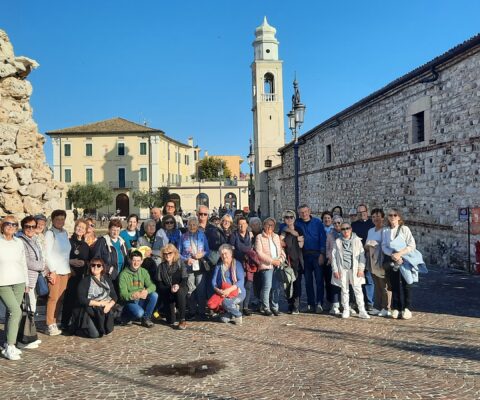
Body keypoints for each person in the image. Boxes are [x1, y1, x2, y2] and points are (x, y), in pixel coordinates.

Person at [0, 216, 29, 360]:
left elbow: (23, 263)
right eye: (8, 224)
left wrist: (27, 282)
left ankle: (7, 343)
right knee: (16, 311)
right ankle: (11, 345)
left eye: (14, 224)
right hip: (2, 282)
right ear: (2, 225)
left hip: (19, 281)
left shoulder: (19, 243)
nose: (11, 226)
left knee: (11, 313)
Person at [381, 209, 416, 320]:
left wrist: (400, 254)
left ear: (399, 217)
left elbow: (411, 245)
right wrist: (392, 255)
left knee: (406, 283)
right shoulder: (386, 230)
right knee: (394, 284)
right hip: (393, 260)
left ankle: (407, 308)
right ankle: (396, 307)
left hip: (405, 259)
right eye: (390, 215)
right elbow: (384, 245)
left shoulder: (405, 229)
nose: (392, 217)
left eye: (395, 215)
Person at [331, 222, 370, 319]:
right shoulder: (338, 241)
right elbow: (334, 257)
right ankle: (346, 309)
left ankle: (362, 310)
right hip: (342, 269)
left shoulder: (357, 240)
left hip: (355, 268)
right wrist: (335, 270)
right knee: (344, 290)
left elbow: (362, 256)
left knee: (358, 289)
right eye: (343, 229)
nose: (345, 231)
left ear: (351, 229)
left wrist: (361, 269)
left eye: (347, 228)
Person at [73, 258, 117, 338]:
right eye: (93, 265)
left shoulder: (107, 280)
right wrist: (99, 303)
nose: (95, 267)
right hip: (89, 310)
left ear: (102, 268)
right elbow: (82, 299)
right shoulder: (85, 281)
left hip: (103, 310)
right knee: (95, 335)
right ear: (90, 267)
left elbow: (114, 296)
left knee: (104, 331)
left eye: (98, 265)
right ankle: (78, 329)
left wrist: (109, 305)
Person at [44, 209, 72, 336]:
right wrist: (52, 271)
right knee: (53, 297)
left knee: (60, 298)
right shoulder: (50, 234)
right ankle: (49, 324)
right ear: (53, 220)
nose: (60, 221)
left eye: (62, 219)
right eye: (57, 219)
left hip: (65, 270)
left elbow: (65, 253)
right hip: (55, 270)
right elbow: (47, 254)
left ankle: (55, 321)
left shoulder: (64, 232)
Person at [295, 204, 326, 313]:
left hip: (317, 254)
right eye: (301, 212)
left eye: (305, 211)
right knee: (307, 281)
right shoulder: (297, 223)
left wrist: (322, 254)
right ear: (299, 213)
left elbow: (323, 238)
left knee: (319, 280)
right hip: (305, 255)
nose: (304, 214)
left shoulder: (317, 223)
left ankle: (319, 303)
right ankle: (310, 303)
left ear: (309, 211)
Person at [62, 219, 90, 331]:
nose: (80, 229)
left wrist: (85, 263)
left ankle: (76, 322)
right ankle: (64, 323)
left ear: (85, 231)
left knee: (78, 300)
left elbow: (89, 260)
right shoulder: (68, 242)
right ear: (75, 227)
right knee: (68, 300)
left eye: (83, 228)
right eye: (78, 227)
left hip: (81, 276)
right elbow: (61, 257)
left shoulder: (85, 245)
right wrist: (70, 262)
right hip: (69, 274)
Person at [180, 216, 210, 320]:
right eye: (190, 224)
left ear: (197, 225)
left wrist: (202, 254)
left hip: (200, 265)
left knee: (201, 289)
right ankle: (192, 311)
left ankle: (202, 311)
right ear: (187, 225)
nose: (192, 226)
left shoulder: (202, 235)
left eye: (194, 224)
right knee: (190, 289)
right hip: (188, 265)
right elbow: (179, 254)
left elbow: (208, 250)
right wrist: (185, 259)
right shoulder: (183, 237)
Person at [255, 217, 286, 316]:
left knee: (276, 287)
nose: (269, 227)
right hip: (266, 266)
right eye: (268, 224)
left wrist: (280, 260)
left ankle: (274, 307)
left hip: (277, 265)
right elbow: (259, 253)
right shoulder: (259, 237)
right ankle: (266, 307)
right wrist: (272, 261)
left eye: (272, 225)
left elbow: (281, 251)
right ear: (264, 225)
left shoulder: (276, 236)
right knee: (267, 287)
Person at [118, 250, 158, 327]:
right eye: (134, 260)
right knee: (139, 313)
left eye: (138, 261)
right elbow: (122, 295)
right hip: (130, 301)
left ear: (142, 261)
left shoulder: (144, 271)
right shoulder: (123, 275)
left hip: (141, 299)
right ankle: (126, 316)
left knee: (154, 295)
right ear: (130, 260)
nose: (136, 263)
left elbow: (153, 286)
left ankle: (146, 319)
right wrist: (133, 295)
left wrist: (146, 291)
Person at [365, 208, 392, 317]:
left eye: (378, 216)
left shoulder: (386, 231)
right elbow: (366, 245)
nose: (376, 218)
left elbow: (388, 245)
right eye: (373, 216)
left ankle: (387, 307)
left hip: (381, 261)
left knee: (384, 285)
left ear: (382, 218)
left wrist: (376, 244)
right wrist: (367, 245)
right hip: (372, 261)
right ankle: (378, 306)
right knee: (376, 285)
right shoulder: (370, 230)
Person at [155, 244, 188, 329]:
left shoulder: (180, 263)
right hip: (167, 291)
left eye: (170, 253)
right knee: (170, 321)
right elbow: (159, 284)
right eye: (165, 254)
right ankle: (172, 310)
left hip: (180, 288)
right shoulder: (161, 267)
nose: (167, 255)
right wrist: (170, 289)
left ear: (174, 253)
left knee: (180, 292)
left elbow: (184, 278)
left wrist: (178, 286)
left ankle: (182, 320)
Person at [211, 244, 246, 325]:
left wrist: (228, 290)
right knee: (223, 319)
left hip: (238, 292)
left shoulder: (237, 264)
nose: (224, 256)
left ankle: (238, 315)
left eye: (225, 253)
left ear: (230, 254)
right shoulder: (218, 266)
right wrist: (218, 290)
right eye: (222, 254)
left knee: (225, 302)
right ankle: (233, 309)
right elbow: (213, 281)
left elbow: (241, 281)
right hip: (223, 292)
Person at [18, 216, 44, 319]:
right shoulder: (20, 241)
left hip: (35, 277)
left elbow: (41, 256)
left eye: (33, 226)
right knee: (28, 306)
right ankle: (25, 331)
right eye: (27, 226)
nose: (31, 229)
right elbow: (27, 261)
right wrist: (42, 266)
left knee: (32, 304)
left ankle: (28, 329)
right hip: (26, 279)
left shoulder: (34, 239)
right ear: (23, 227)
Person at [351, 204, 376, 312]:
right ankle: (358, 302)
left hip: (369, 254)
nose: (362, 214)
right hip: (357, 255)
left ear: (367, 212)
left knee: (369, 280)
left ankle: (369, 303)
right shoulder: (354, 225)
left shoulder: (372, 224)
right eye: (359, 213)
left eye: (363, 212)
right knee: (357, 280)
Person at [229, 216, 255, 315]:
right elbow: (232, 249)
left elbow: (252, 248)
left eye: (243, 224)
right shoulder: (234, 235)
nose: (242, 226)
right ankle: (238, 305)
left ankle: (246, 306)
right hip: (238, 263)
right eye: (240, 224)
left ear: (247, 225)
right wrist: (244, 252)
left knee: (248, 284)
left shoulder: (250, 235)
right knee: (239, 285)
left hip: (249, 263)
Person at [280, 210, 304, 314]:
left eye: (291, 217)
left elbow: (301, 245)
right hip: (287, 260)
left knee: (297, 283)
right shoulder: (282, 230)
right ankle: (289, 304)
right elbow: (279, 243)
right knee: (288, 282)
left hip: (297, 260)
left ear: (294, 218)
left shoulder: (299, 229)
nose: (289, 219)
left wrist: (293, 233)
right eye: (286, 217)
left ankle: (296, 306)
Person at [325, 215, 343, 315]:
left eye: (338, 223)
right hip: (334, 263)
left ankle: (346, 304)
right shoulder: (330, 234)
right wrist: (329, 257)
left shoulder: (346, 232)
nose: (336, 225)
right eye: (335, 223)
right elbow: (327, 247)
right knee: (335, 284)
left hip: (344, 263)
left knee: (345, 284)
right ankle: (335, 304)